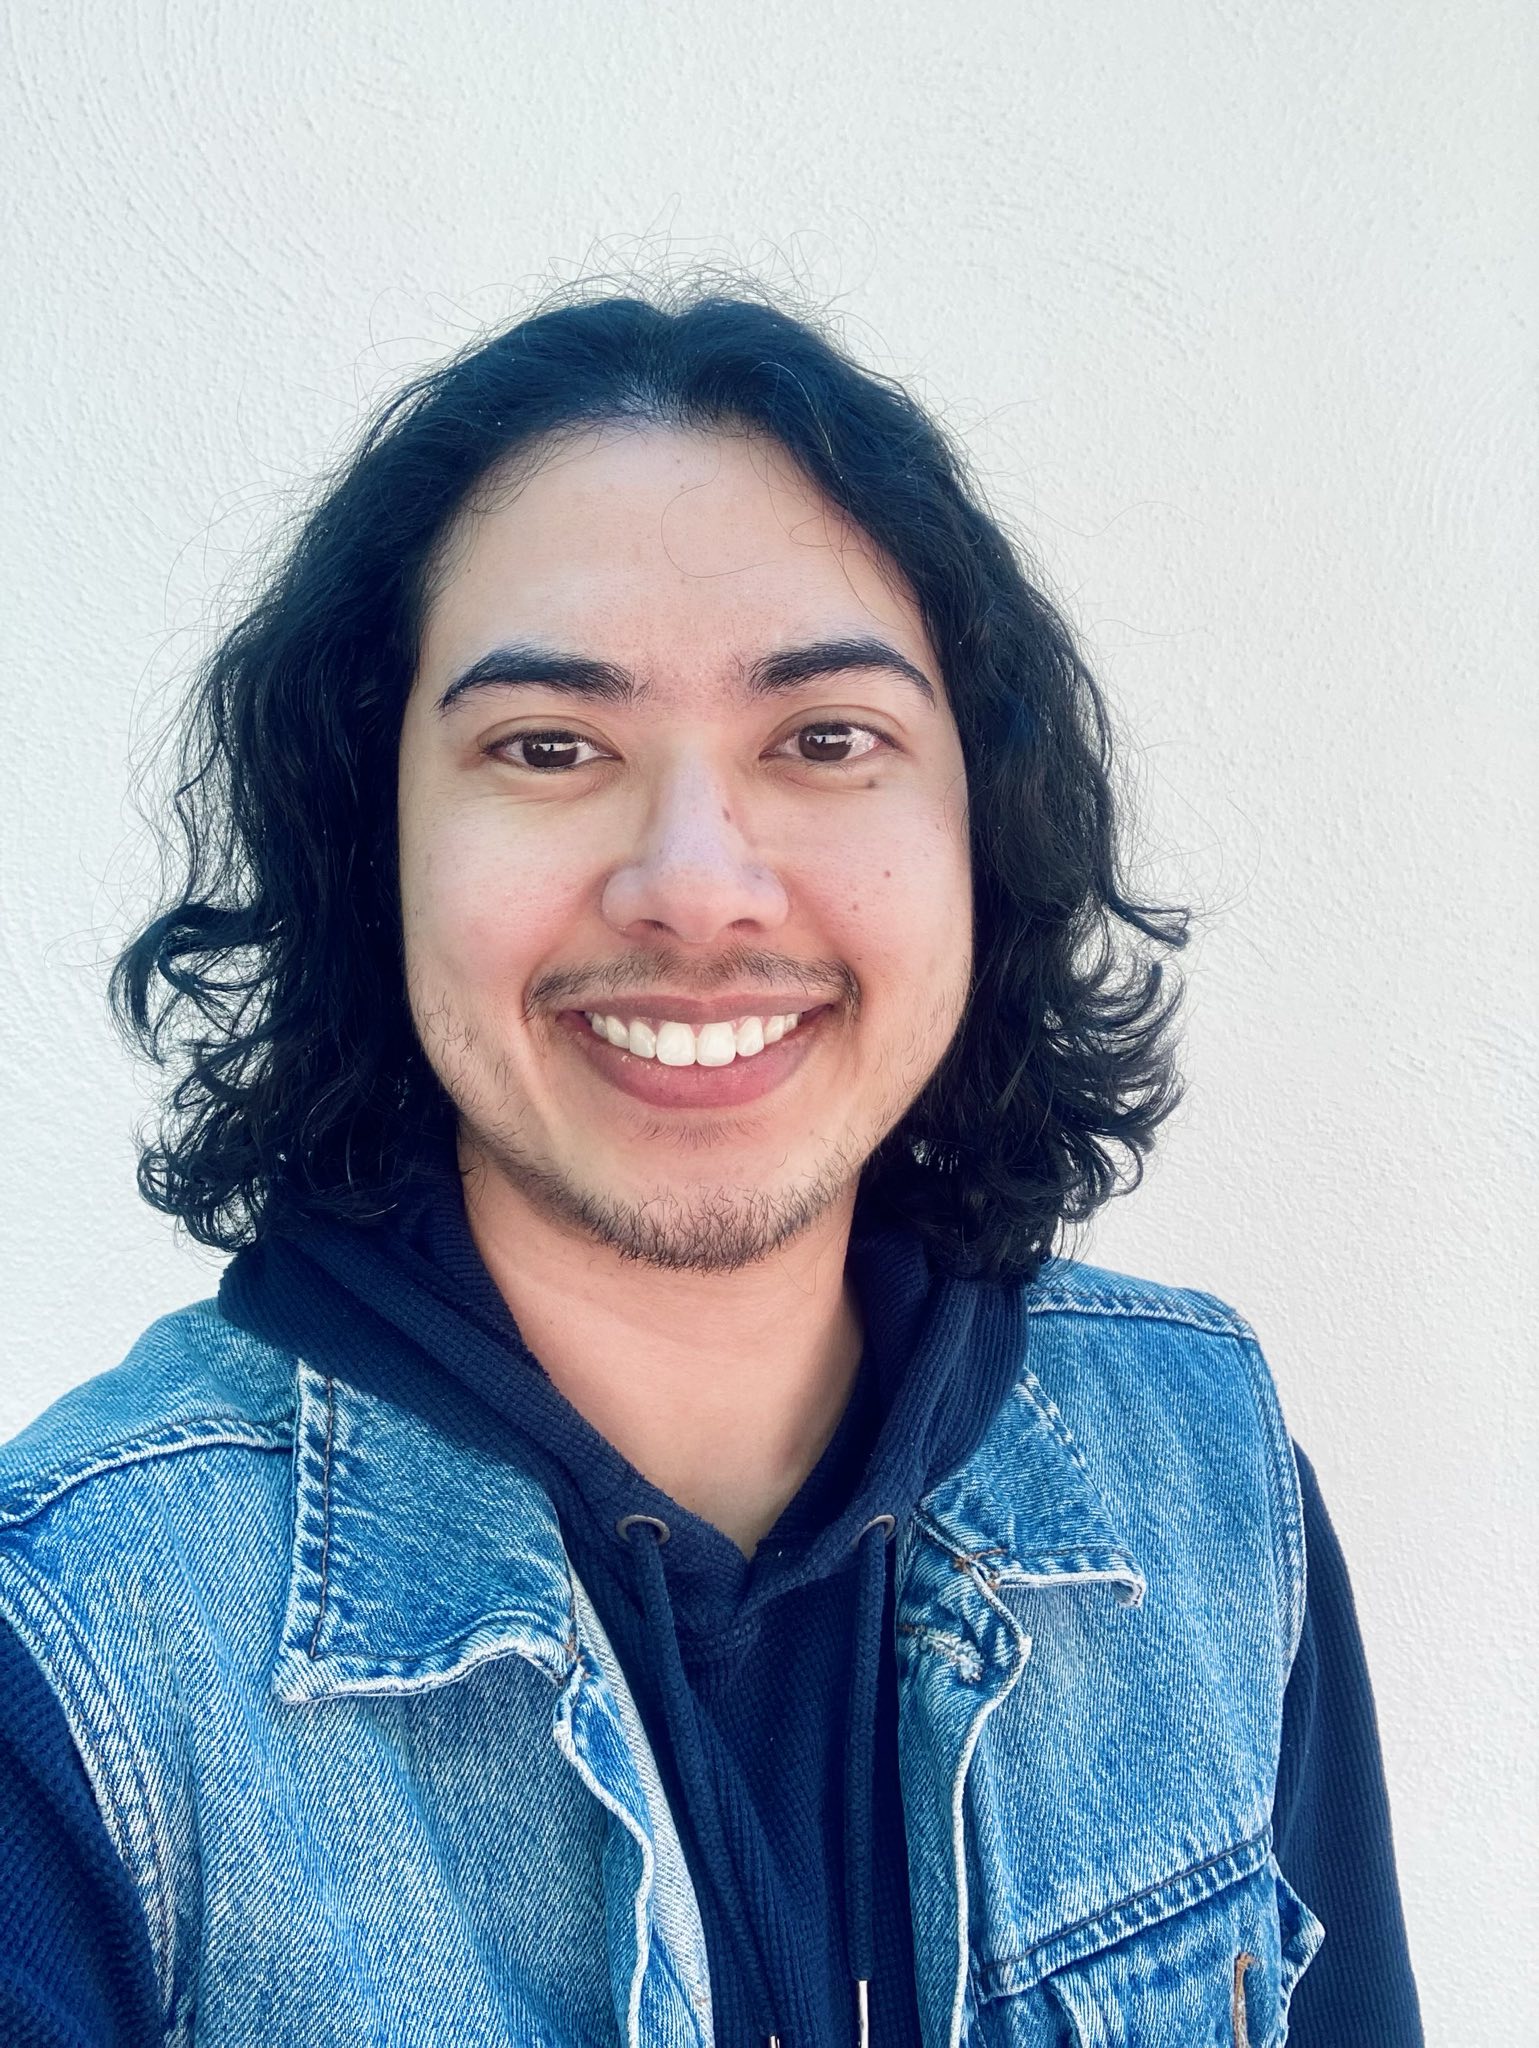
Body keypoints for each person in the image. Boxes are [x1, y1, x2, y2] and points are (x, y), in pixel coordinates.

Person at [0, 285, 1423, 2048]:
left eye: (826, 739)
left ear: (981, 830)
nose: (693, 881)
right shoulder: (66, 1656)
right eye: (548, 748)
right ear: (374, 847)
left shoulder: (1202, 1472)